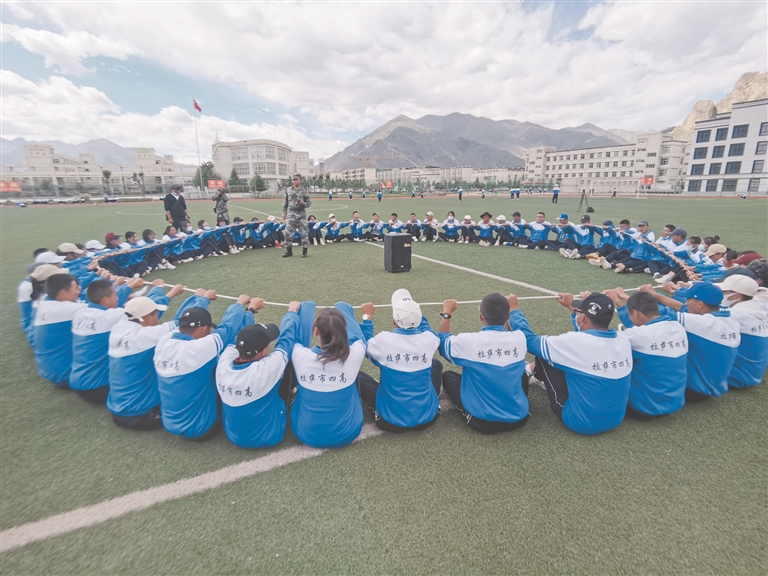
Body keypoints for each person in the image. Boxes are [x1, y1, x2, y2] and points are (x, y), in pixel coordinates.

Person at [509, 292, 632, 435]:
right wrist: (572, 308)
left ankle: (537, 376)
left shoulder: (575, 343)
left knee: (544, 354)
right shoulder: (623, 339)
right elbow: (585, 336)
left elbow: (529, 341)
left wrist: (514, 310)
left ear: (584, 317)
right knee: (569, 359)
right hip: (615, 419)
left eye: (579, 312)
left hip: (580, 422)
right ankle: (533, 370)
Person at [154, 291, 253, 441]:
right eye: (208, 329)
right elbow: (228, 329)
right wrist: (243, 307)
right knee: (228, 353)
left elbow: (187, 316)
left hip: (168, 423)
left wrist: (203, 298)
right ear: (202, 328)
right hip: (202, 429)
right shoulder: (199, 348)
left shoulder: (164, 342)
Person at [438, 294, 530, 434]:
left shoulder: (469, 342)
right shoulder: (520, 338)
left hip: (484, 422)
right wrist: (514, 309)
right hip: (520, 418)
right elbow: (516, 331)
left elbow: (443, 342)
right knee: (519, 372)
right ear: (508, 317)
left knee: (448, 377)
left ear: (481, 317)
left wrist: (447, 313)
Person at [215, 300, 301, 448]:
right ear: (263, 351)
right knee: (289, 364)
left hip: (234, 436)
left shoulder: (224, 362)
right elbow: (286, 341)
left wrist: (250, 310)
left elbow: (235, 338)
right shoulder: (267, 368)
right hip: (271, 435)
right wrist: (292, 313)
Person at [107, 284, 191, 430]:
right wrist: (200, 298)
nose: (158, 317)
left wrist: (170, 294)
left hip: (116, 409)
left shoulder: (118, 329)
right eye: (155, 314)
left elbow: (141, 309)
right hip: (141, 415)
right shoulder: (146, 336)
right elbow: (182, 322)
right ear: (145, 318)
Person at [636, 283, 739, 402]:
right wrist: (655, 295)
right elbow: (681, 308)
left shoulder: (703, 323)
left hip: (693, 390)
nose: (686, 303)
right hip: (713, 384)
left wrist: (632, 301)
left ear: (700, 304)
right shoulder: (729, 319)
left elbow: (661, 314)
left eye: (688, 299)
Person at [359, 289, 442, 432]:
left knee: (359, 377)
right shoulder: (430, 339)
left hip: (390, 422)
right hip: (428, 418)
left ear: (393, 321)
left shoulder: (384, 341)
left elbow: (365, 343)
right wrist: (414, 312)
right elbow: (428, 329)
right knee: (435, 364)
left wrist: (367, 317)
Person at [290, 303, 368, 448]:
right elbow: (359, 338)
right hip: (348, 433)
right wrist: (343, 306)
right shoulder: (355, 354)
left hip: (305, 433)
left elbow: (296, 340)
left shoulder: (299, 355)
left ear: (316, 331)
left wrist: (305, 308)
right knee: (358, 376)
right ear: (344, 331)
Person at [604, 289, 688, 420]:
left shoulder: (635, 336)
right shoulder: (678, 327)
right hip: (674, 403)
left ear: (635, 313)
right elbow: (644, 328)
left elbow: (601, 346)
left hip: (642, 408)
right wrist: (618, 302)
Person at [70, 277, 144, 404]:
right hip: (99, 388)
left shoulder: (80, 313)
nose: (117, 298)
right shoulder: (111, 316)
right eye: (115, 294)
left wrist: (128, 287)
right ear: (105, 300)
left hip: (77, 382)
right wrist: (160, 291)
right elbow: (145, 314)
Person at [33, 273, 87, 387]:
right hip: (67, 374)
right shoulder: (66, 309)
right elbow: (102, 311)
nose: (79, 289)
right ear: (63, 293)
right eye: (76, 288)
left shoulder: (44, 303)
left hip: (50, 369)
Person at [715, 275, 768, 389]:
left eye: (724, 291)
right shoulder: (756, 306)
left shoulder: (737, 314)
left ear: (737, 295)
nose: (721, 294)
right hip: (751, 372)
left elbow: (703, 316)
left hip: (736, 375)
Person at [281, 173, 311, 258]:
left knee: (304, 234)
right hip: (291, 216)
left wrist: (303, 203)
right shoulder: (288, 190)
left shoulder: (304, 191)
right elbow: (285, 202)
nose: (294, 181)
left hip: (301, 216)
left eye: (296, 179)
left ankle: (304, 252)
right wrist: (284, 212)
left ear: (300, 180)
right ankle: (289, 251)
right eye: (293, 180)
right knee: (288, 234)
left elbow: (309, 203)